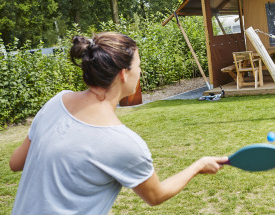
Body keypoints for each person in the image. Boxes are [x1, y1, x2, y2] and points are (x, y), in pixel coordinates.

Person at [9, 32, 227, 214]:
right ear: (124, 74)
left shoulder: (56, 102)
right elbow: (156, 195)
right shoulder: (124, 143)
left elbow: (15, 162)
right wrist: (198, 165)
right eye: (139, 66)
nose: (140, 72)